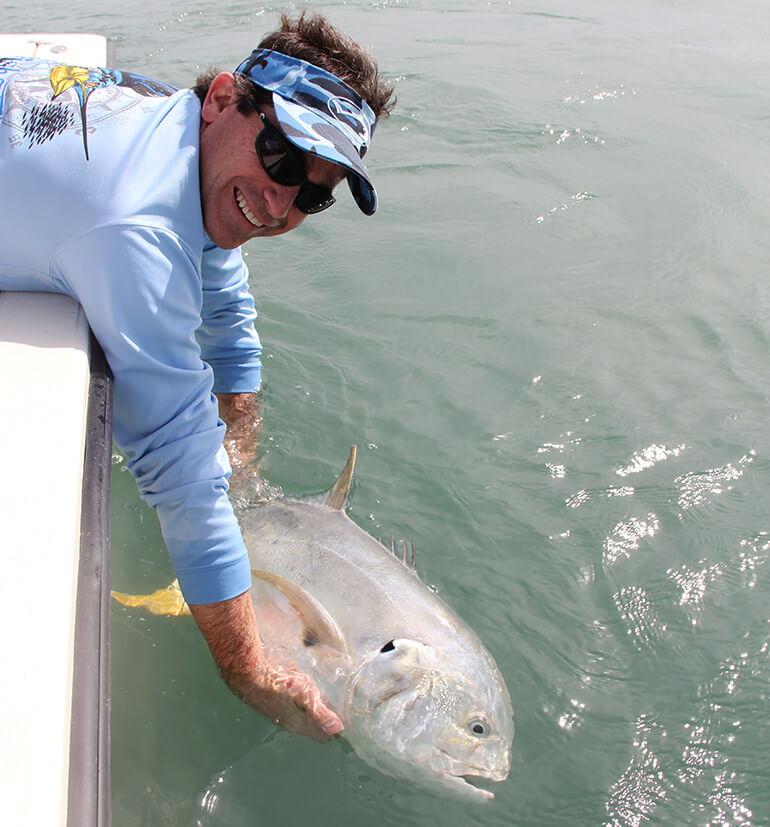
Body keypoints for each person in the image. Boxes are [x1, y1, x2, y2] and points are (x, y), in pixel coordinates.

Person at [0, 13, 395, 739]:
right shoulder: (138, 232)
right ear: (222, 99)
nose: (280, 203)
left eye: (313, 194)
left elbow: (221, 283)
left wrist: (240, 440)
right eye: (281, 156)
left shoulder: (173, 134)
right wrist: (247, 668)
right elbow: (176, 469)